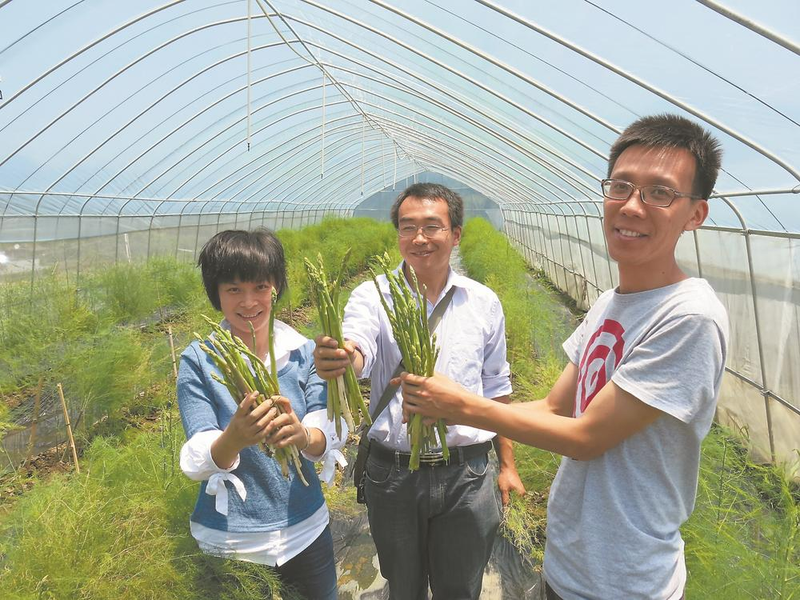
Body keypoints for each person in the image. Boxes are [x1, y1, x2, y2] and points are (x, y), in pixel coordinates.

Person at [400, 115, 729, 600]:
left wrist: (462, 408)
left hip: (625, 580)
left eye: (660, 193)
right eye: (620, 186)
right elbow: (555, 408)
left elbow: (585, 438)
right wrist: (458, 415)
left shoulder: (689, 316)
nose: (632, 206)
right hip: (570, 562)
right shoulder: (610, 302)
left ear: (695, 214)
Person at [314, 182, 526, 599]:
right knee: (403, 589)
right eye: (408, 227)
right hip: (393, 476)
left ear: (456, 234)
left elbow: (497, 387)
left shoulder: (483, 303)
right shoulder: (372, 296)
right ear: (397, 236)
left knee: (460, 589)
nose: (420, 238)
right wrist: (344, 357)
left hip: (467, 473)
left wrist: (508, 464)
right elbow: (360, 348)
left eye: (433, 226)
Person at [177, 229, 344, 600]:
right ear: (215, 293)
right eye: (233, 289)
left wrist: (302, 436)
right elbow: (197, 455)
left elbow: (327, 429)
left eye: (261, 287)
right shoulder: (200, 360)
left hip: (306, 530)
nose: (249, 301)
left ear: (276, 288)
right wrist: (235, 437)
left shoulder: (303, 352)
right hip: (231, 540)